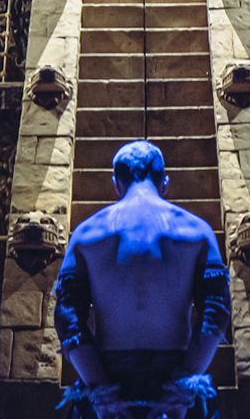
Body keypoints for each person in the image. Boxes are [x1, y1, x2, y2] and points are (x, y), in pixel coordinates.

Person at [55, 141, 230, 419]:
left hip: (106, 374)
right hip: (178, 371)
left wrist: (100, 392)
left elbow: (68, 318)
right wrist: (184, 386)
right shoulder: (197, 230)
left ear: (116, 183)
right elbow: (217, 312)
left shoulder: (86, 234)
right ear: (165, 182)